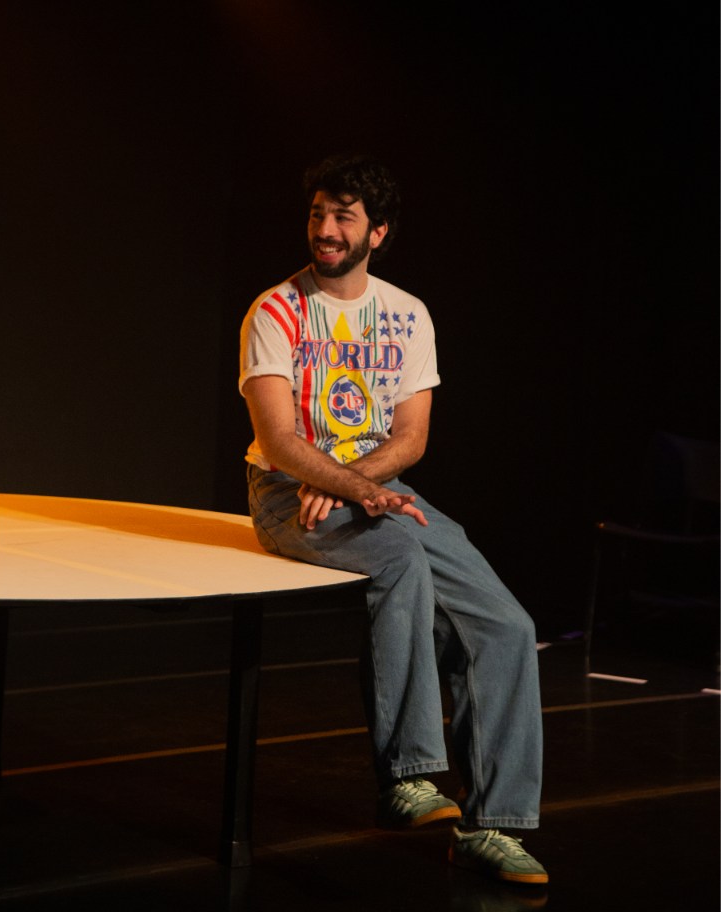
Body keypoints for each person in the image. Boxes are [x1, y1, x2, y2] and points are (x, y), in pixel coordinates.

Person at [238, 152, 548, 886]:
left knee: (508, 626)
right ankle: (407, 777)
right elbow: (278, 440)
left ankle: (493, 826)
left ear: (378, 232)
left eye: (343, 217)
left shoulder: (408, 315)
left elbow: (411, 438)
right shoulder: (275, 310)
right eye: (318, 213)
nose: (325, 228)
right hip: (285, 493)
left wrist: (355, 484)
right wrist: (338, 482)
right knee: (401, 557)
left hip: (377, 485)